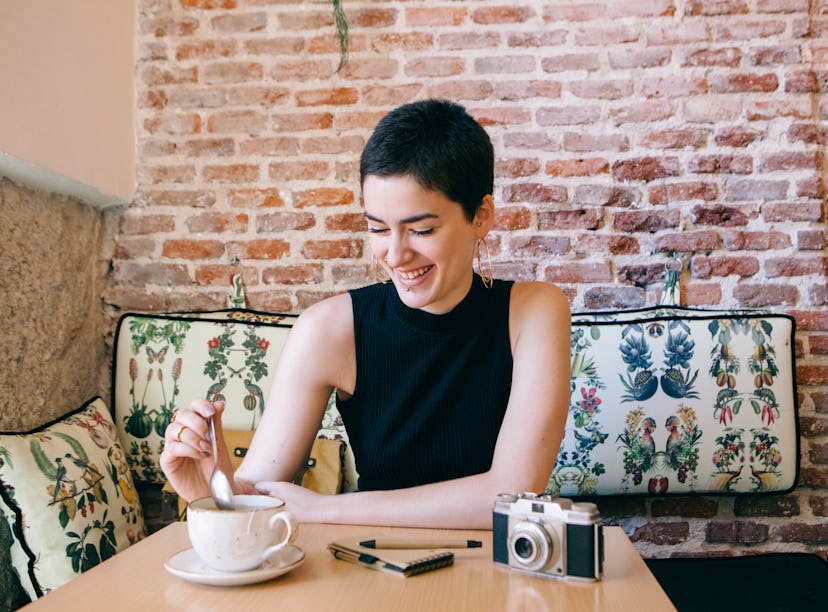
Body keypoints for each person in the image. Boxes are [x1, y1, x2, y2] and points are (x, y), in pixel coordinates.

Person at [160, 99, 571, 529]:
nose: (395, 254)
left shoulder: (534, 312)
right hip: (368, 569)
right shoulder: (329, 329)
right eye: (377, 228)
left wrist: (326, 509)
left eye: (422, 229)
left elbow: (511, 494)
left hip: (496, 574)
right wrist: (212, 486)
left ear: (481, 216)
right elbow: (259, 496)